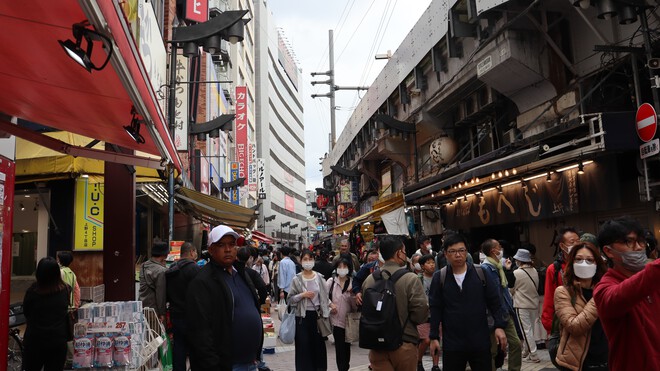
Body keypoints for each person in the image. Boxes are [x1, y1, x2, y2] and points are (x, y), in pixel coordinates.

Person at [186, 225, 263, 371]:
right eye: (221, 245)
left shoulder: (241, 273)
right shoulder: (202, 282)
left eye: (232, 244)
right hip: (226, 366)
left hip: (251, 363)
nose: (228, 249)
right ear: (211, 250)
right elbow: (200, 334)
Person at [429, 233, 508, 371]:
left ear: (467, 252)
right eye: (452, 251)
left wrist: (499, 326)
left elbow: (495, 302)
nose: (457, 255)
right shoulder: (439, 277)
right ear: (445, 254)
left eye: (461, 250)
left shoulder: (481, 273)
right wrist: (433, 336)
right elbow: (435, 308)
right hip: (452, 344)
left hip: (480, 341)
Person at [594, 216, 660, 370]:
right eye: (628, 242)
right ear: (608, 251)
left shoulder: (653, 279)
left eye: (640, 241)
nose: (638, 247)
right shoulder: (604, 288)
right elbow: (621, 295)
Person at [362, 235, 428, 371]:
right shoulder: (410, 279)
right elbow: (420, 312)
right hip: (404, 344)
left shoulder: (369, 280)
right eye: (404, 251)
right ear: (399, 253)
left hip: (377, 346)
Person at [554, 241, 609, 370]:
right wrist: (598, 297)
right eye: (578, 259)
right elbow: (574, 327)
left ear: (597, 264)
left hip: (607, 359)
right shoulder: (563, 292)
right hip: (578, 363)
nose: (584, 263)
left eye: (590, 260)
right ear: (572, 263)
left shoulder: (606, 289)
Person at [480, 239, 522, 371]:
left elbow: (508, 285)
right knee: (493, 350)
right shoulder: (486, 269)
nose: (501, 249)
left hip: (505, 312)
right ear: (493, 251)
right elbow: (492, 296)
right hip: (492, 315)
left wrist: (507, 269)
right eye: (499, 247)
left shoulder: (499, 267)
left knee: (516, 344)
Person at [23, 257, 70, 371]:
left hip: (35, 341)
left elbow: (26, 312)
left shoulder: (33, 292)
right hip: (57, 341)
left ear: (39, 273)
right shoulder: (65, 290)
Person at [288, 249, 331, 370]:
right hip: (301, 318)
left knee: (318, 347)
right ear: (300, 261)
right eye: (305, 259)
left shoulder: (319, 278)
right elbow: (290, 300)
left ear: (314, 260)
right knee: (303, 348)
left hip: (317, 317)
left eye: (310, 259)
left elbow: (324, 296)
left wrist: (330, 306)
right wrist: (302, 295)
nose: (308, 262)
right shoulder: (296, 279)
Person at [166, 242, 201, 371]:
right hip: (192, 316)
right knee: (194, 347)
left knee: (179, 346)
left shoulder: (171, 269)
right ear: (191, 252)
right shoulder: (195, 269)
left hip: (176, 315)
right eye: (195, 252)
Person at [542, 227, 580, 333]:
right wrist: (550, 326)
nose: (577, 245)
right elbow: (549, 298)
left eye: (578, 241)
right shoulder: (554, 269)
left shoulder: (587, 263)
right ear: (562, 246)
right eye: (572, 242)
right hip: (567, 321)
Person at [326, 257, 357, 371]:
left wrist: (352, 294)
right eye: (339, 267)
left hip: (348, 322)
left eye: (344, 267)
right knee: (339, 348)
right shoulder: (331, 282)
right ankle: (342, 368)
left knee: (347, 347)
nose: (342, 269)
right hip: (336, 321)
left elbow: (355, 307)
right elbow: (323, 297)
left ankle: (345, 367)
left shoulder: (353, 284)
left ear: (349, 269)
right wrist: (330, 305)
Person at [511, 248, 541, 363]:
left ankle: (533, 354)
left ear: (519, 260)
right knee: (530, 330)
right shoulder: (534, 270)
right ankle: (527, 352)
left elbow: (512, 289)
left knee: (526, 331)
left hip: (522, 305)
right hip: (534, 304)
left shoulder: (517, 273)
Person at [416, 254, 440, 371]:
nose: (432, 265)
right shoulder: (417, 279)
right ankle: (418, 361)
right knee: (426, 339)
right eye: (428, 263)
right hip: (423, 313)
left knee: (436, 339)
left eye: (433, 262)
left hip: (436, 312)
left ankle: (435, 366)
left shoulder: (438, 277)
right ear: (422, 266)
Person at [139, 241, 169, 321]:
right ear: (164, 255)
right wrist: (162, 313)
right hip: (153, 311)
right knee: (155, 332)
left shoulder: (143, 265)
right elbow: (160, 294)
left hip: (141, 307)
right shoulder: (161, 271)